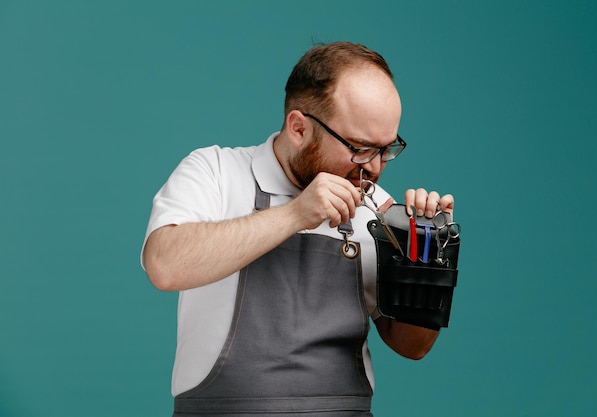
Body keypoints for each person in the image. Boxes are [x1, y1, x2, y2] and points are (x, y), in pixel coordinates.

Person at [141, 41, 455, 417]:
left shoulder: (382, 215)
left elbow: (412, 347)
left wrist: (426, 263)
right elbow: (164, 264)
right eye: (360, 147)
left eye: (386, 149)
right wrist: (295, 214)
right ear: (298, 128)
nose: (374, 168)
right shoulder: (215, 172)